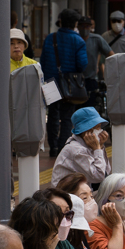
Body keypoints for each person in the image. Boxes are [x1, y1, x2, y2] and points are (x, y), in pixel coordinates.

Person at [40, 9, 88, 156]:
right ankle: (62, 147)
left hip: (51, 83)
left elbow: (43, 60)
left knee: (53, 114)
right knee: (67, 117)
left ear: (60, 22)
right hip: (70, 84)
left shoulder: (50, 38)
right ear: (75, 23)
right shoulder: (78, 40)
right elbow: (82, 64)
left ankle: (52, 147)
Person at [52, 106, 112, 185]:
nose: (100, 130)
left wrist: (100, 147)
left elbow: (106, 171)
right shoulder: (77, 150)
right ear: (87, 131)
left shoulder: (88, 145)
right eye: (97, 127)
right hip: (67, 195)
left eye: (100, 127)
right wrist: (97, 149)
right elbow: (99, 176)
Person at [77, 16, 112, 108]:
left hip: (91, 78)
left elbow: (111, 54)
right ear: (78, 27)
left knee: (90, 106)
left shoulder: (96, 39)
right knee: (77, 107)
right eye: (82, 26)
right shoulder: (74, 38)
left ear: (90, 27)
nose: (85, 29)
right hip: (75, 79)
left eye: (87, 26)